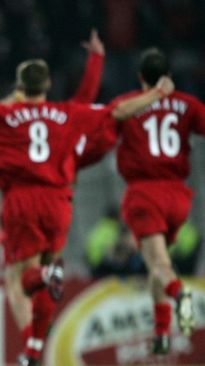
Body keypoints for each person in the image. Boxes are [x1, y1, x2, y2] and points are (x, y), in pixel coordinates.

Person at [0, 68, 175, 366]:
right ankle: (35, 348)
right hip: (59, 201)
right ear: (48, 84)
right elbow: (119, 110)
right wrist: (155, 94)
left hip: (22, 199)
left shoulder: (2, 115)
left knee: (19, 279)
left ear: (20, 86)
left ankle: (32, 333)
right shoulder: (67, 113)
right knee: (48, 272)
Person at [111, 48, 202, 354]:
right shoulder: (187, 104)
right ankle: (162, 332)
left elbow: (110, 119)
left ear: (140, 78)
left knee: (160, 265)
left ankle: (179, 295)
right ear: (170, 77)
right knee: (157, 264)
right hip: (178, 195)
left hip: (145, 193)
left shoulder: (128, 103)